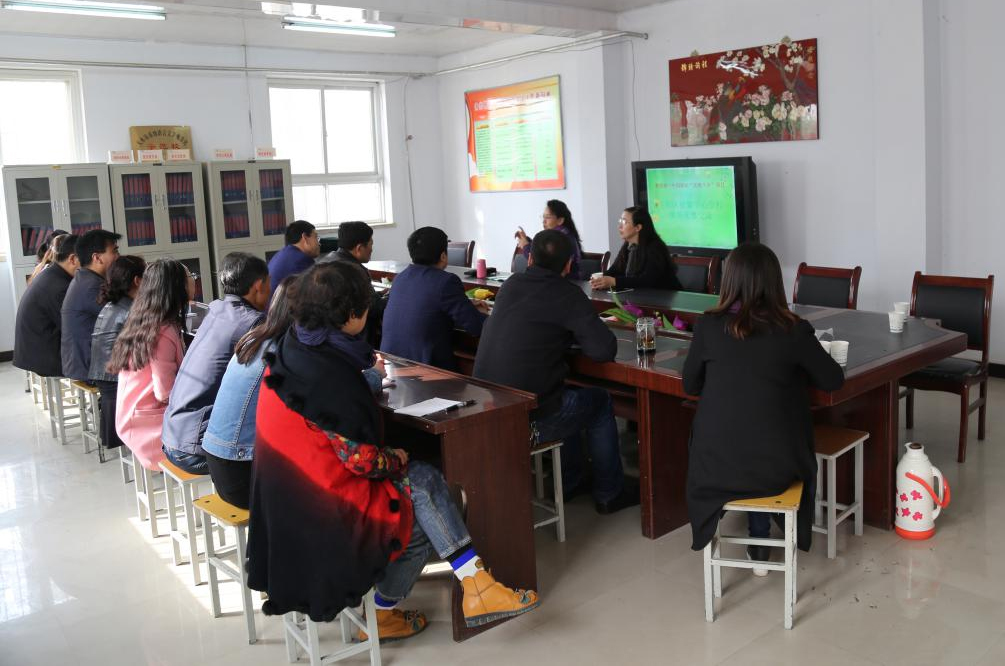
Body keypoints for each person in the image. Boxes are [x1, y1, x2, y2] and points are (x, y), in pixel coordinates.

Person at [247, 261, 539, 639]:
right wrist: (396, 458)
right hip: (317, 510)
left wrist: (368, 383)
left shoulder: (298, 346)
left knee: (422, 483)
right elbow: (362, 460)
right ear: (350, 314)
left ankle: (475, 584)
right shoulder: (328, 377)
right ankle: (409, 605)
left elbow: (330, 411)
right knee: (418, 509)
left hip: (285, 497)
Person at [683, 242, 844, 571]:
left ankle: (758, 541)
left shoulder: (709, 326)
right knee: (767, 439)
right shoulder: (792, 329)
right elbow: (832, 380)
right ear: (774, 282)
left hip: (715, 467)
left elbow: (690, 386)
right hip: (776, 467)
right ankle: (760, 540)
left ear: (729, 280)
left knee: (741, 438)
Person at [474, 230, 639, 514]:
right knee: (599, 401)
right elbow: (603, 350)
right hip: (529, 420)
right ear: (568, 265)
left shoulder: (511, 285)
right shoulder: (567, 294)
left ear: (530, 259)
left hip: (489, 409)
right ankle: (609, 493)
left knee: (566, 395)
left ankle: (571, 481)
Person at [161, 252, 269, 474]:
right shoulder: (253, 322)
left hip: (172, 436)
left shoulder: (216, 309)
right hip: (197, 447)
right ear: (259, 285)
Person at [202, 276, 297, 510]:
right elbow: (327, 390)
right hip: (242, 473)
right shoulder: (285, 352)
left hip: (220, 462)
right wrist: (373, 376)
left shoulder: (255, 338)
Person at [108, 259, 195, 471]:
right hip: (148, 427)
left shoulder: (146, 319)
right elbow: (165, 392)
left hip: (134, 416)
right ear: (176, 287)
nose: (194, 281)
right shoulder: (162, 331)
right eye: (190, 277)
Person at [380, 226, 488, 371]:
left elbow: (425, 304)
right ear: (443, 256)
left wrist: (465, 304)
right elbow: (476, 326)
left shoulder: (400, 278)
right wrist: (485, 315)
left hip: (390, 366)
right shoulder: (446, 281)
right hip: (425, 370)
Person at [88, 255, 146, 451]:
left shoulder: (112, 304)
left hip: (102, 374)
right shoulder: (132, 309)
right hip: (115, 378)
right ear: (138, 281)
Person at [13, 234, 79, 379]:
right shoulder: (59, 286)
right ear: (73, 259)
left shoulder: (51, 274)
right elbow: (73, 329)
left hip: (33, 350)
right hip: (45, 356)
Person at [61, 230, 121, 381]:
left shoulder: (85, 278)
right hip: (89, 368)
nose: (118, 257)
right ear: (97, 258)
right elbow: (123, 319)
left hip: (84, 361)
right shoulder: (92, 287)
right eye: (114, 251)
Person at [319, 220, 387, 346]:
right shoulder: (355, 271)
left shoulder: (325, 261)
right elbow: (374, 308)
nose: (372, 249)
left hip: (325, 334)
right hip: (353, 340)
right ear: (359, 248)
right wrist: (392, 296)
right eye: (371, 244)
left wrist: (378, 295)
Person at [590, 206, 682, 291]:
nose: (620, 226)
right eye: (620, 221)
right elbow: (615, 270)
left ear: (638, 227)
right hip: (640, 296)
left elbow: (647, 281)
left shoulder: (655, 247)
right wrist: (599, 279)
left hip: (664, 297)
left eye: (624, 222)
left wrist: (615, 281)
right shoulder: (628, 246)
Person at [514, 199, 584, 279]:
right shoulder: (560, 234)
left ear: (560, 220)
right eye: (543, 217)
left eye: (547, 217)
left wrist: (525, 245)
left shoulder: (561, 238)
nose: (543, 221)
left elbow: (540, 261)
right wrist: (526, 240)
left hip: (565, 282)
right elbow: (542, 250)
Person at [267, 219, 319, 290]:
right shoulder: (302, 260)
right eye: (316, 237)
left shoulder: (283, 254)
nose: (318, 243)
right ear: (305, 238)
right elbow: (316, 291)